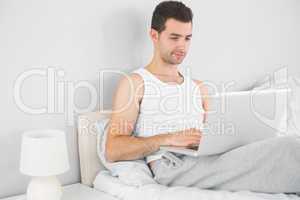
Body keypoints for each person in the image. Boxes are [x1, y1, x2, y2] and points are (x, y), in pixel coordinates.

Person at [105, 1, 300, 194]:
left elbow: (216, 133)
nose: (182, 46)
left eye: (187, 38)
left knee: (288, 144)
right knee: (291, 148)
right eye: (174, 37)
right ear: (154, 36)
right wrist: (170, 139)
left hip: (208, 157)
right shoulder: (136, 83)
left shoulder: (199, 88)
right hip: (173, 164)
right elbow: (113, 149)